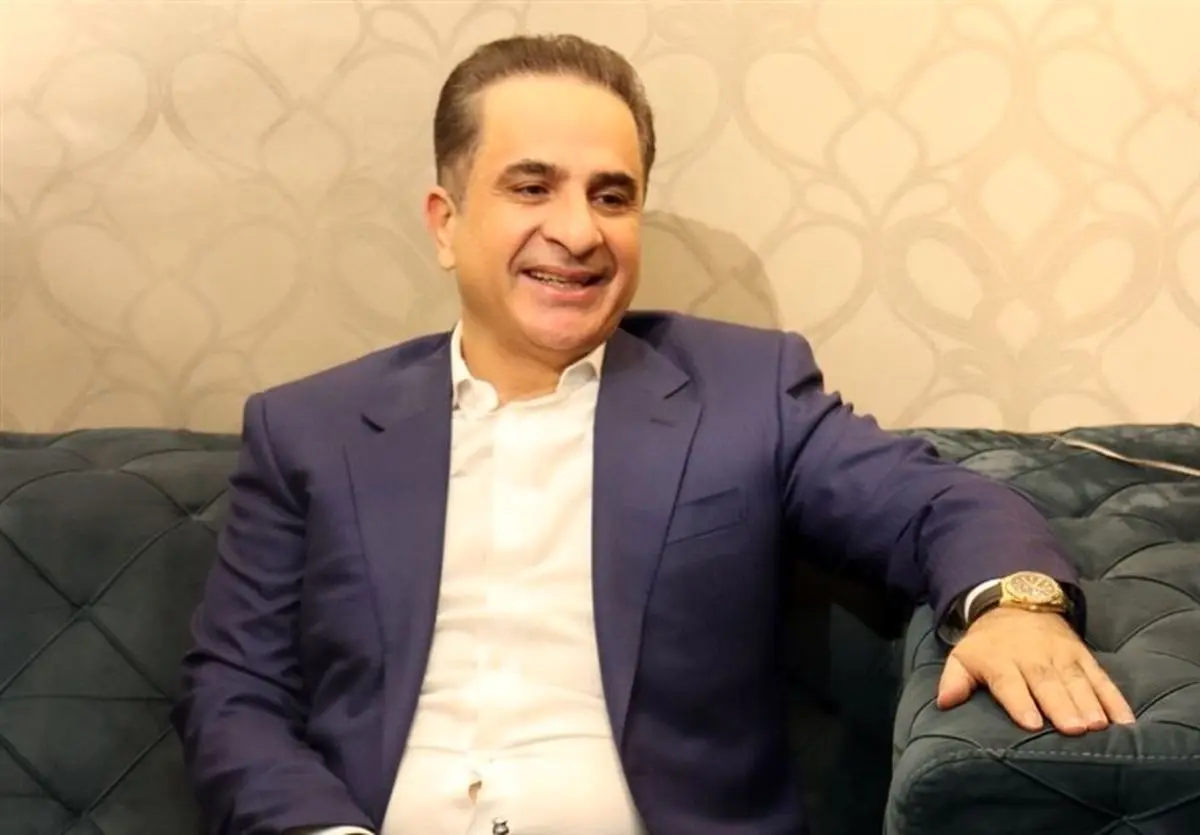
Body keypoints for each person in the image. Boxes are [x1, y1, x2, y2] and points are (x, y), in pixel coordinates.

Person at [172, 33, 1135, 835]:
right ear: (445, 222)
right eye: (532, 187)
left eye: (611, 195)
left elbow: (939, 501)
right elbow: (234, 691)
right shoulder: (311, 428)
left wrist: (1015, 604)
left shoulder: (746, 393)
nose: (578, 231)